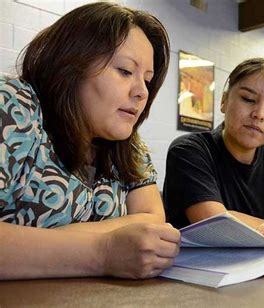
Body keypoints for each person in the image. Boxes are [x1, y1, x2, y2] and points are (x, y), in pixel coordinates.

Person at [0, 2, 180, 280]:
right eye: (124, 71)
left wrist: (37, 242)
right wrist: (102, 252)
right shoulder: (14, 105)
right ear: (72, 63)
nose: (142, 92)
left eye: (147, 80)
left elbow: (152, 220)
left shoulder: (128, 144)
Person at [163, 58, 264, 245]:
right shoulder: (190, 150)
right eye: (248, 99)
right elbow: (214, 224)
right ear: (224, 101)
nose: (259, 114)